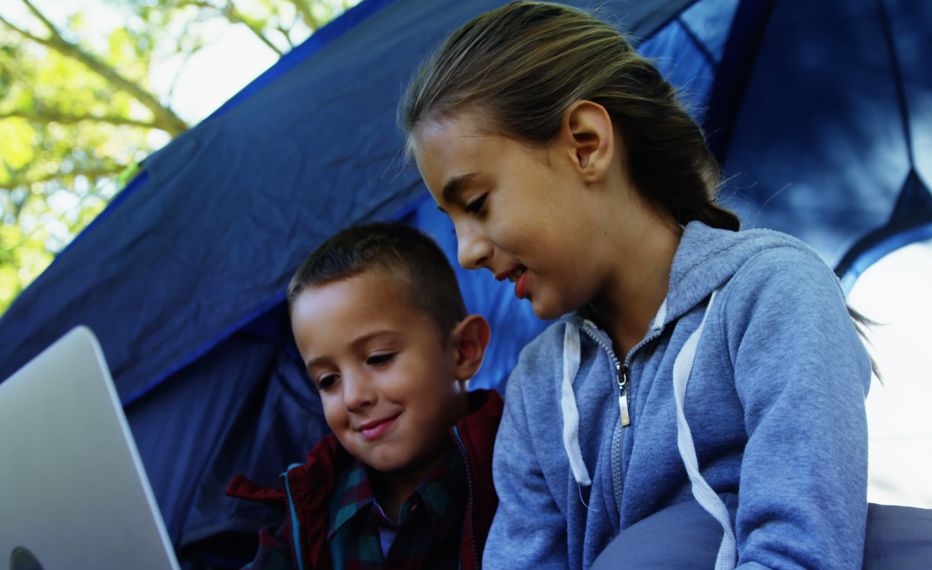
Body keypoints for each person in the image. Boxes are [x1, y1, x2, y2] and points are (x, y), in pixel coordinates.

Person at [400, 2, 871, 569]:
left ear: (586, 142)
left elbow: (802, 554)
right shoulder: (536, 389)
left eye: (476, 203)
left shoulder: (770, 297)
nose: (467, 252)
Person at [227, 222, 502, 569]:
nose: (353, 397)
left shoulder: (519, 471)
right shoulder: (311, 510)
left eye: (378, 358)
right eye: (327, 380)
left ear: (463, 350)